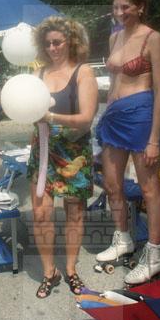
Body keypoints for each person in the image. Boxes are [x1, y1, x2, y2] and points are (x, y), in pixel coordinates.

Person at [96, 0, 160, 286]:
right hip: (114, 115)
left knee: (150, 189)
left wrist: (154, 138)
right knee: (112, 183)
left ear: (140, 7)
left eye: (125, 7)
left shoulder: (152, 38)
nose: (120, 12)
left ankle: (154, 256)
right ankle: (123, 238)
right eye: (116, 7)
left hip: (140, 115)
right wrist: (104, 114)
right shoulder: (114, 37)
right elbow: (113, 82)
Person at [27, 16, 99, 298]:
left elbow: (86, 118)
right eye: (47, 44)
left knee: (74, 214)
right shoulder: (37, 75)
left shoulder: (83, 72)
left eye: (57, 42)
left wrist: (51, 117)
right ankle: (49, 272)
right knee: (41, 214)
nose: (52, 48)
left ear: (71, 41)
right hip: (43, 149)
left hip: (74, 153)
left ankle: (70, 269)